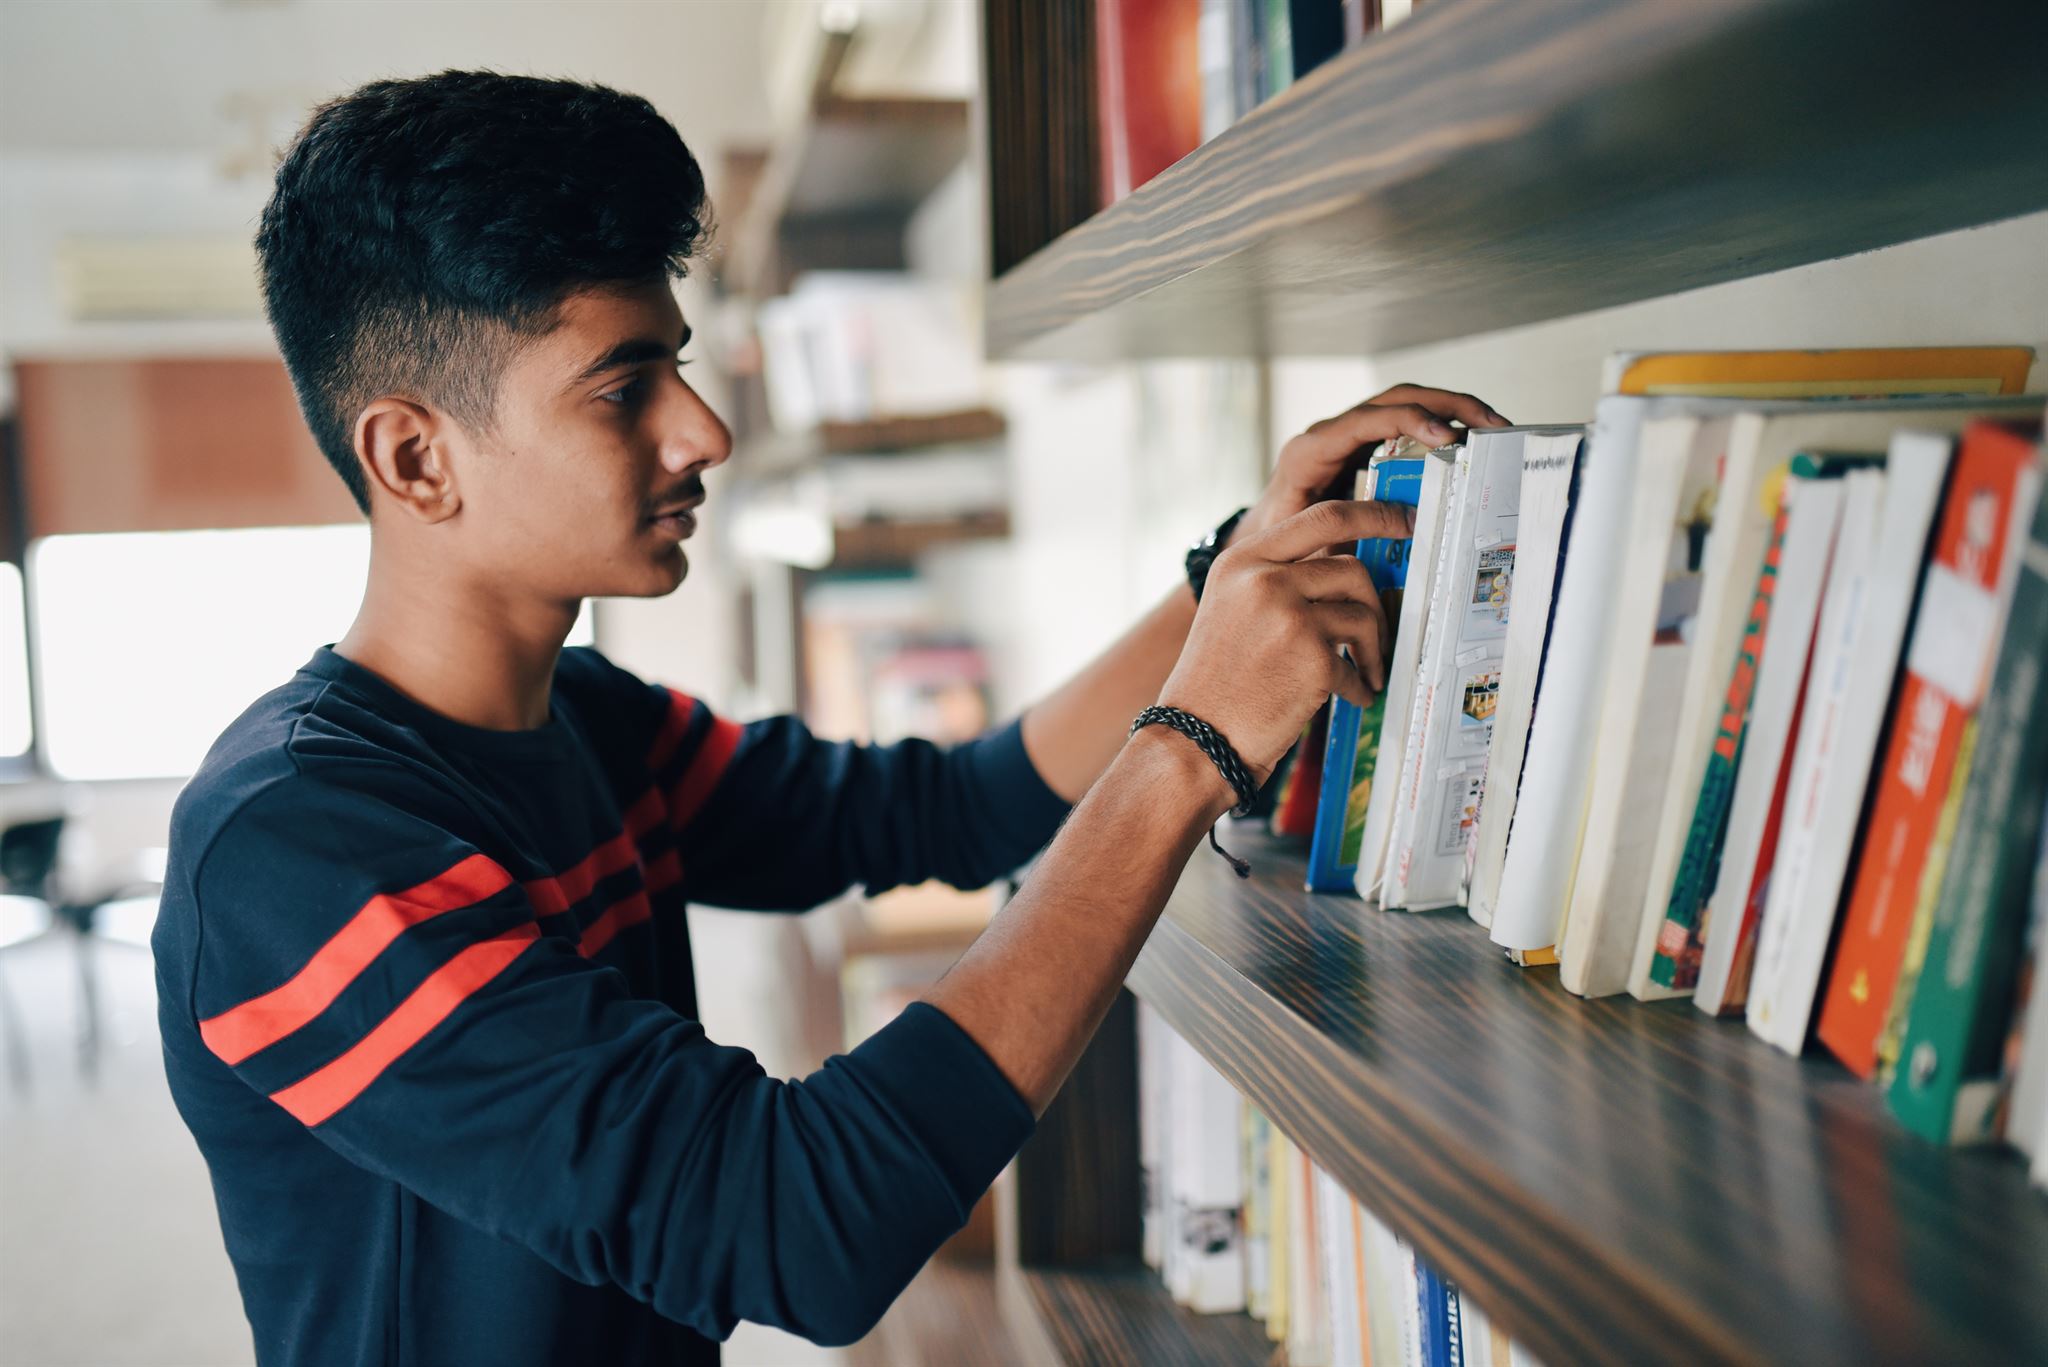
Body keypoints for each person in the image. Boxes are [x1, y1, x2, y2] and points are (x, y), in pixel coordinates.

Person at [152, 70, 1506, 1367]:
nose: (703, 433)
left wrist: (1231, 575)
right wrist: (1192, 750)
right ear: (413, 456)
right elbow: (794, 1229)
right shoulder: (294, 851)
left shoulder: (589, 718)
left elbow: (954, 806)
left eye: (678, 366)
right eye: (624, 388)